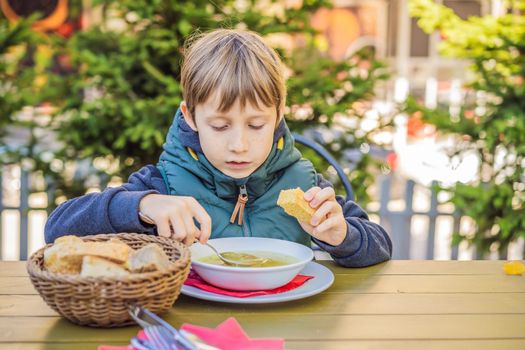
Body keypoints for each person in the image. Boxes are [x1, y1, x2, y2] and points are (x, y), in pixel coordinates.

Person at [45, 29, 392, 267]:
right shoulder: (162, 186)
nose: (239, 145)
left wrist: (342, 234)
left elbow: (380, 245)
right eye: (220, 125)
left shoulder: (304, 185)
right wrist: (142, 205)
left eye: (256, 125)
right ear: (190, 116)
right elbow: (57, 228)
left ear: (278, 116)